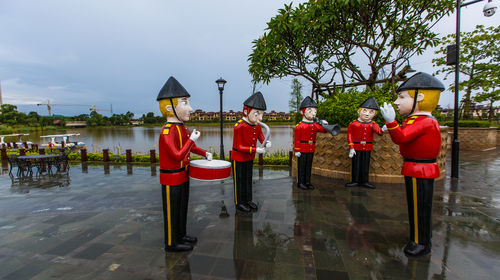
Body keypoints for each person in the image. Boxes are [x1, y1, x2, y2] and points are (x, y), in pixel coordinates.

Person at [380, 72, 444, 257]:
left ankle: (421, 242)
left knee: (419, 207)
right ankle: (418, 238)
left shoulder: (424, 122)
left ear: (420, 97)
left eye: (402, 97)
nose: (397, 102)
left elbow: (401, 137)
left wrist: (391, 122)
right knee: (416, 206)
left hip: (421, 168)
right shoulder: (416, 120)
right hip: (416, 167)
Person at [157, 76, 212, 252]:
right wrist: (192, 141)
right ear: (169, 108)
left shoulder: (182, 127)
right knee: (172, 211)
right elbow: (177, 155)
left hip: (183, 175)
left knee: (182, 208)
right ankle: (172, 242)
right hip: (171, 177)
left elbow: (191, 147)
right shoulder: (167, 131)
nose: (190, 108)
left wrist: (204, 153)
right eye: (184, 103)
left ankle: (181, 234)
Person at [231, 92, 271, 212]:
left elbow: (261, 137)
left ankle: (248, 200)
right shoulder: (239, 126)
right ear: (245, 111)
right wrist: (255, 150)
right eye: (256, 113)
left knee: (248, 179)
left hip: (249, 158)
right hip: (239, 158)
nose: (260, 118)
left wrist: (266, 142)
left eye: (261, 114)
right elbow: (239, 147)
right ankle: (240, 202)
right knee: (240, 181)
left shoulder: (257, 126)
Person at [345, 97, 383, 189]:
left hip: (367, 147)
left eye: (371, 112)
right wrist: (351, 147)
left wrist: (383, 129)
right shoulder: (353, 124)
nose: (367, 114)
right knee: (356, 164)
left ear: (374, 114)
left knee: (365, 164)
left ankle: (364, 181)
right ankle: (355, 180)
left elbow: (379, 132)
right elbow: (350, 135)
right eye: (365, 111)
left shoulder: (373, 124)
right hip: (356, 147)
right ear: (359, 111)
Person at [293, 96, 330, 190]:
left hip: (310, 148)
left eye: (315, 111)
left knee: (308, 166)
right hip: (302, 149)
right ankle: (300, 182)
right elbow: (296, 139)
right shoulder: (299, 126)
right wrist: (297, 150)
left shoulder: (315, 125)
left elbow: (323, 130)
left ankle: (307, 181)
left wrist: (325, 125)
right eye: (310, 111)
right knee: (301, 166)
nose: (313, 114)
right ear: (302, 112)